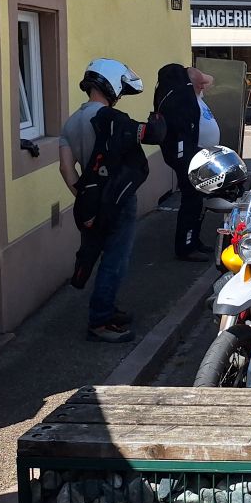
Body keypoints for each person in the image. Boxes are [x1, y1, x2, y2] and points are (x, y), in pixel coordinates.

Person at [59, 59, 165, 343]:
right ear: (112, 84)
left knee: (99, 254)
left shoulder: (71, 122)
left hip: (92, 202)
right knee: (115, 260)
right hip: (119, 200)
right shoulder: (112, 118)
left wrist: (85, 196)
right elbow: (154, 134)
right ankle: (100, 321)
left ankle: (107, 309)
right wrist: (161, 114)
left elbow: (66, 168)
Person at [154, 64, 212, 262]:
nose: (203, 86)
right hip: (187, 159)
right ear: (190, 82)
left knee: (196, 201)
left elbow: (209, 80)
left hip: (192, 156)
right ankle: (186, 247)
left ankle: (193, 240)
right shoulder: (182, 98)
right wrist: (189, 161)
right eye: (199, 83)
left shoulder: (185, 94)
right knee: (192, 201)